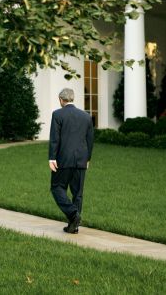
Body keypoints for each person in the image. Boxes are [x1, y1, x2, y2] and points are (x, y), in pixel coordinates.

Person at [48, 88, 94, 234]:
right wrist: (88, 158)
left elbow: (55, 139)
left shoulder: (57, 114)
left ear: (61, 100)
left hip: (63, 160)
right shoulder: (86, 116)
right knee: (77, 193)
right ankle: (73, 226)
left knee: (57, 188)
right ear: (72, 99)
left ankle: (73, 214)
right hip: (81, 160)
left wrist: (52, 158)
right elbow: (90, 140)